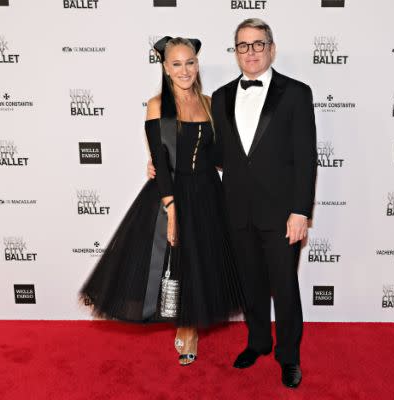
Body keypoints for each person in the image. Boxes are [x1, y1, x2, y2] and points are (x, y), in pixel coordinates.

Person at [149, 19, 317, 388]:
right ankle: (258, 342)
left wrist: (301, 211)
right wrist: (167, 163)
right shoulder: (221, 97)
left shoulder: (296, 93)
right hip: (234, 210)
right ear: (235, 52)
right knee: (250, 284)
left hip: (281, 214)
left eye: (259, 44)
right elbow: (213, 153)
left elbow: (307, 158)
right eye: (243, 45)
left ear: (271, 48)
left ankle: (288, 357)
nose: (252, 52)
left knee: (284, 287)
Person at [81, 36, 245, 366]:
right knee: (174, 263)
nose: (185, 70)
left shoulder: (212, 103)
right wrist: (171, 211)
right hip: (170, 194)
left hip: (209, 192)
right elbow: (161, 156)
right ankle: (183, 327)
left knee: (201, 264)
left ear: (197, 65)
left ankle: (190, 326)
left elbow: (220, 156)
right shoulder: (157, 105)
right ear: (165, 68)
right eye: (177, 64)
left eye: (190, 62)